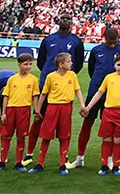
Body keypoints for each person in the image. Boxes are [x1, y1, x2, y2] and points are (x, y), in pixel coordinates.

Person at [27, 14, 84, 162]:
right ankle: (29, 153)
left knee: (63, 125)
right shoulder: (48, 40)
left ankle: (62, 157)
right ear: (58, 21)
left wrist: (65, 78)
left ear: (71, 22)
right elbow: (41, 62)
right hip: (46, 85)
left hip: (64, 90)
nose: (65, 20)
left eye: (68, 18)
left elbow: (77, 63)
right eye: (62, 18)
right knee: (38, 118)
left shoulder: (76, 41)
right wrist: (51, 76)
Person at [69, 27, 120, 170]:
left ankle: (110, 160)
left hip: (114, 95)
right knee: (87, 123)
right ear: (104, 38)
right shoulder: (96, 50)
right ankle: (79, 158)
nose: (112, 45)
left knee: (113, 129)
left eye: (115, 42)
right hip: (95, 91)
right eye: (110, 42)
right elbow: (91, 70)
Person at [30, 53, 85, 175]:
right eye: (69, 61)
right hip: (52, 108)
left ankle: (62, 165)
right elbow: (43, 94)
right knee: (46, 135)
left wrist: (82, 105)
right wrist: (37, 110)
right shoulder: (51, 77)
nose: (71, 63)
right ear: (61, 64)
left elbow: (77, 90)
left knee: (64, 136)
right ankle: (40, 163)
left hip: (66, 108)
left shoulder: (72, 75)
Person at [83, 52, 120, 176]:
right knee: (107, 138)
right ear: (114, 65)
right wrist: (89, 107)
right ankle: (104, 165)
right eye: (118, 64)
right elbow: (99, 93)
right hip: (108, 111)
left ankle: (116, 166)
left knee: (118, 140)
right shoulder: (109, 77)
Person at [0, 53, 39, 172]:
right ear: (19, 65)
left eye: (30, 64)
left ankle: (18, 163)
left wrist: (37, 110)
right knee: (6, 136)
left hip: (24, 110)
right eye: (25, 64)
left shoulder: (33, 79)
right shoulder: (12, 79)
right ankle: (2, 162)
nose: (28, 67)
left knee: (21, 137)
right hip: (11, 110)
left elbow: (35, 96)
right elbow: (5, 96)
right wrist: (3, 113)